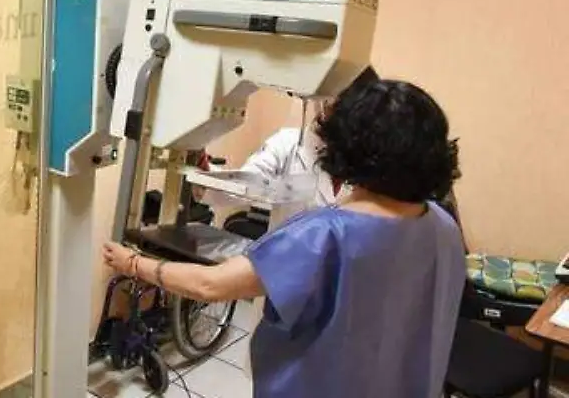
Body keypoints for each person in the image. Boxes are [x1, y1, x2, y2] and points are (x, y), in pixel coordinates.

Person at [103, 78, 464, 398]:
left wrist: (133, 263)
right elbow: (241, 186)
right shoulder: (443, 226)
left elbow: (209, 285)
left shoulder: (324, 235)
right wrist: (203, 169)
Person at [199, 65, 381, 213]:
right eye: (330, 101)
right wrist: (201, 166)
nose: (327, 107)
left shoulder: (369, 160)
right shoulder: (288, 144)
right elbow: (241, 188)